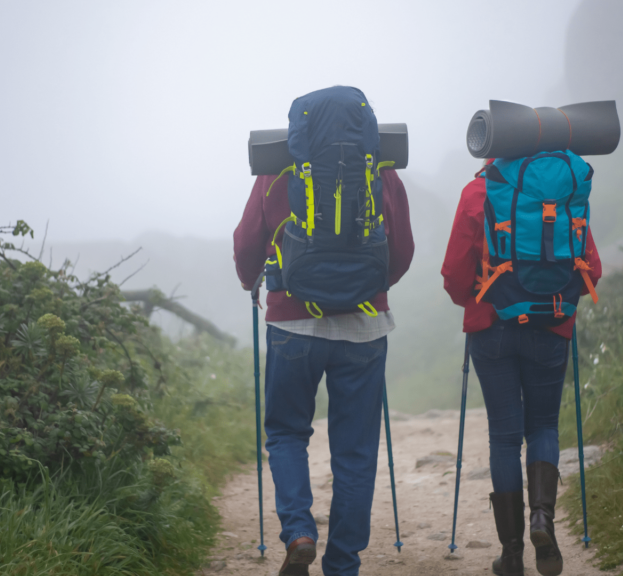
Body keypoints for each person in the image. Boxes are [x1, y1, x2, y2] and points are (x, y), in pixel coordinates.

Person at [233, 147, 414, 574]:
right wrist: (367, 288)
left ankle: (299, 532)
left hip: (291, 324)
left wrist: (250, 281)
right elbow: (402, 251)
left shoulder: (278, 169)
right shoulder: (381, 171)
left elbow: (246, 243)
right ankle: (344, 563)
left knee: (286, 433)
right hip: (365, 327)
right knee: (356, 450)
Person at [440, 159, 602, 576]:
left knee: (505, 438)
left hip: (491, 327)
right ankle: (542, 521)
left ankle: (511, 554)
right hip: (551, 323)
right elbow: (592, 269)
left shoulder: (479, 192)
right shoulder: (564, 190)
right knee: (544, 426)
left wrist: (475, 299)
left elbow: (455, 274)